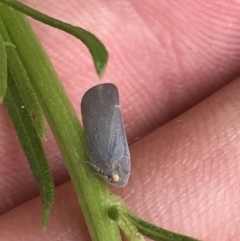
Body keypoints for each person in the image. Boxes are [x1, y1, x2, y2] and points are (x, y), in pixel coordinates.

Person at [0, 1, 240, 240]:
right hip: (104, 145)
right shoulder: (112, 169)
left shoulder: (116, 171)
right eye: (113, 178)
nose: (113, 182)